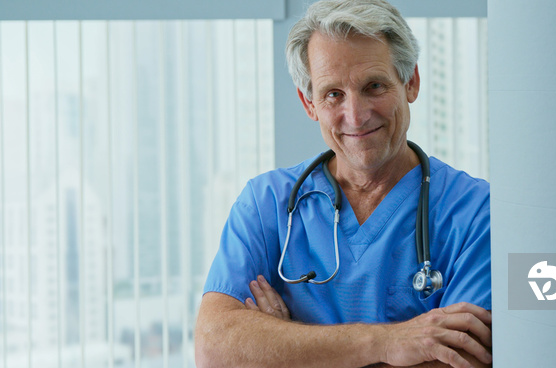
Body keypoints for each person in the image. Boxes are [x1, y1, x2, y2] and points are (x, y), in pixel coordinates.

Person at [194, 0, 492, 367]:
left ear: (410, 82)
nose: (356, 115)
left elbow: (463, 359)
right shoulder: (266, 203)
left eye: (374, 86)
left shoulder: (478, 213)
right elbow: (215, 348)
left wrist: (285, 349)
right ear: (309, 103)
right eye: (333, 94)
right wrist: (387, 342)